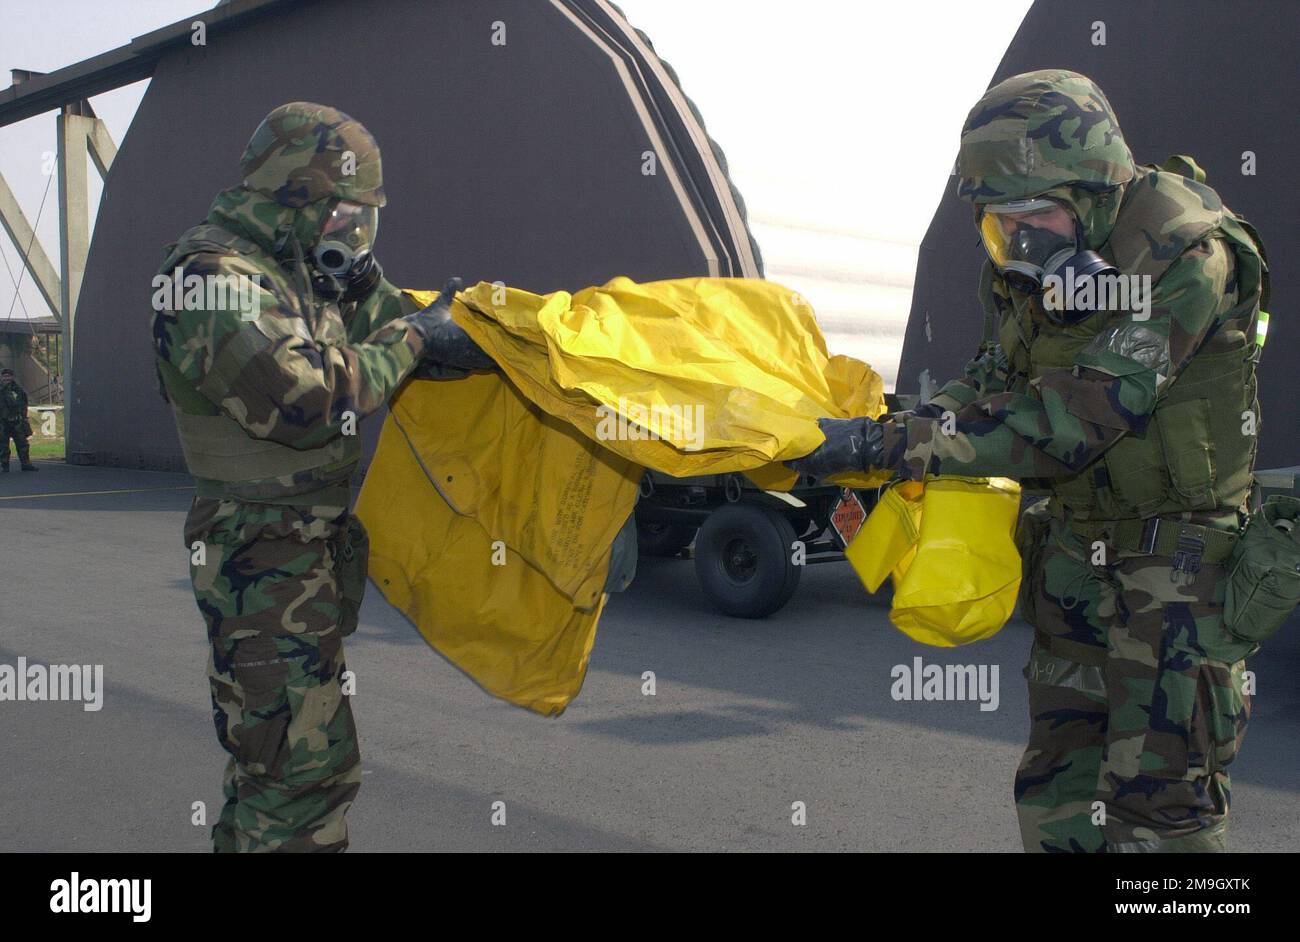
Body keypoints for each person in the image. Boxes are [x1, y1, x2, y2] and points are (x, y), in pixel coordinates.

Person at [791, 70, 1268, 853]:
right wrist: (895, 427)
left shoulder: (1185, 253)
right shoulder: (1034, 261)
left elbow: (1071, 422)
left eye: (1031, 215)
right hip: (1077, 549)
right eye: (998, 223)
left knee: (1161, 807)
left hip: (1178, 564)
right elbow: (992, 379)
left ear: (1090, 189)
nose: (1018, 241)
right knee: (1058, 786)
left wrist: (887, 448)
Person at [151, 102, 494, 852]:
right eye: (345, 212)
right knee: (296, 780)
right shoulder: (208, 278)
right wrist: (413, 338)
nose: (352, 232)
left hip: (300, 555)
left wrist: (437, 326)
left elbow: (385, 336)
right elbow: (307, 400)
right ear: (297, 194)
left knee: (293, 774)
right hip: (258, 561)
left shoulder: (297, 273)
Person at [1, 367, 37, 472]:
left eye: (9, 376)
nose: (6, 378)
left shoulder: (18, 389)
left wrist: (24, 418)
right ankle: (5, 466)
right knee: (3, 445)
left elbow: (23, 404)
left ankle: (26, 464)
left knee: (23, 444)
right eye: (4, 376)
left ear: (12, 377)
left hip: (17, 422)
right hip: (3, 422)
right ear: (1, 377)